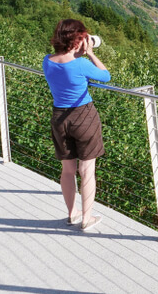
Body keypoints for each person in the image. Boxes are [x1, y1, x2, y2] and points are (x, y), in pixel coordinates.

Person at [43, 19, 111, 231]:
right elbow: (105, 76)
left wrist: (77, 52)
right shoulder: (81, 64)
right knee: (87, 169)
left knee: (68, 170)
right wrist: (90, 53)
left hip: (59, 118)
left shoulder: (47, 61)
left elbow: (67, 69)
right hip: (83, 117)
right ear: (77, 40)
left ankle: (72, 214)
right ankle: (86, 218)